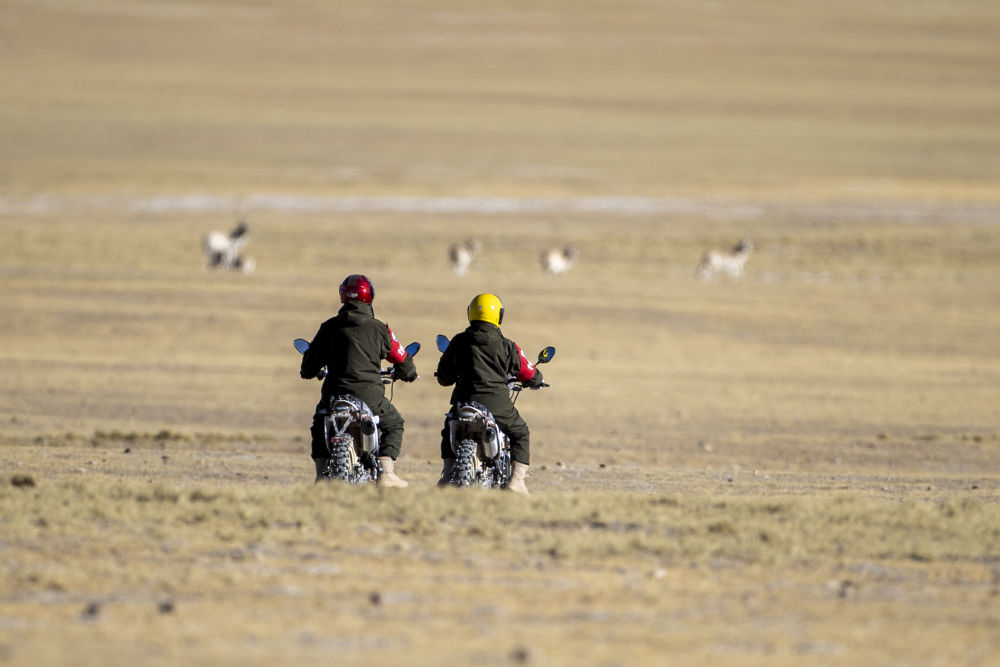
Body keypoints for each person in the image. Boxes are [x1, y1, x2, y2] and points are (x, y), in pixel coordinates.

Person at [300, 274, 417, 487]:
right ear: (370, 295)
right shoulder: (380, 329)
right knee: (394, 424)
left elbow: (308, 365)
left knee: (319, 423)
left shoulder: (329, 328)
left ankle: (320, 477)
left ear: (343, 295)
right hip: (370, 398)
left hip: (334, 396)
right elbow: (402, 359)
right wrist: (407, 373)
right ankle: (386, 472)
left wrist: (310, 370)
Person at [435, 293, 544, 495]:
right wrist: (537, 379)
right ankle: (517, 482)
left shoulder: (458, 342)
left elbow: (444, 378)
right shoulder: (507, 346)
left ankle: (447, 475)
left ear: (470, 313)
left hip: (464, 402)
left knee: (449, 427)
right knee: (521, 432)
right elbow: (528, 372)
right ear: (498, 316)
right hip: (497, 406)